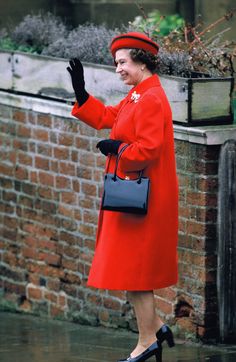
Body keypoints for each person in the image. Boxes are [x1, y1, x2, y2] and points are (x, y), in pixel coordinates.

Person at [67, 32, 178, 362]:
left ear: (141, 62)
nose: (118, 69)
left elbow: (148, 149)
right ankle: (157, 328)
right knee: (131, 272)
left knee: (136, 275)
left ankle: (148, 343)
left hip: (144, 200)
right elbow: (107, 118)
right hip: (133, 198)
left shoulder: (152, 98)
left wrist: (117, 148)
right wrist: (80, 93)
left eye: (122, 62)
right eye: (117, 63)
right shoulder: (137, 96)